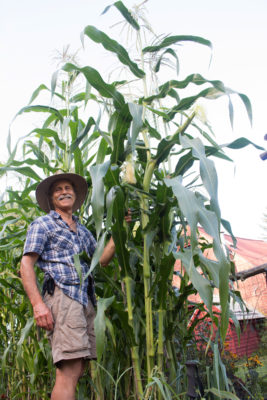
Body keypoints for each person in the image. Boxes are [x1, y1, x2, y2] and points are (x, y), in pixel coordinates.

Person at [20, 172, 118, 400]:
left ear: (75, 195)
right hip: (63, 297)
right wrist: (38, 305)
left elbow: (101, 260)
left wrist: (119, 232)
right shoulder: (43, 224)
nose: (64, 192)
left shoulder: (82, 231)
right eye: (58, 190)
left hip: (84, 299)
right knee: (69, 370)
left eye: (68, 188)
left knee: (78, 368)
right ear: (51, 198)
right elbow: (26, 264)